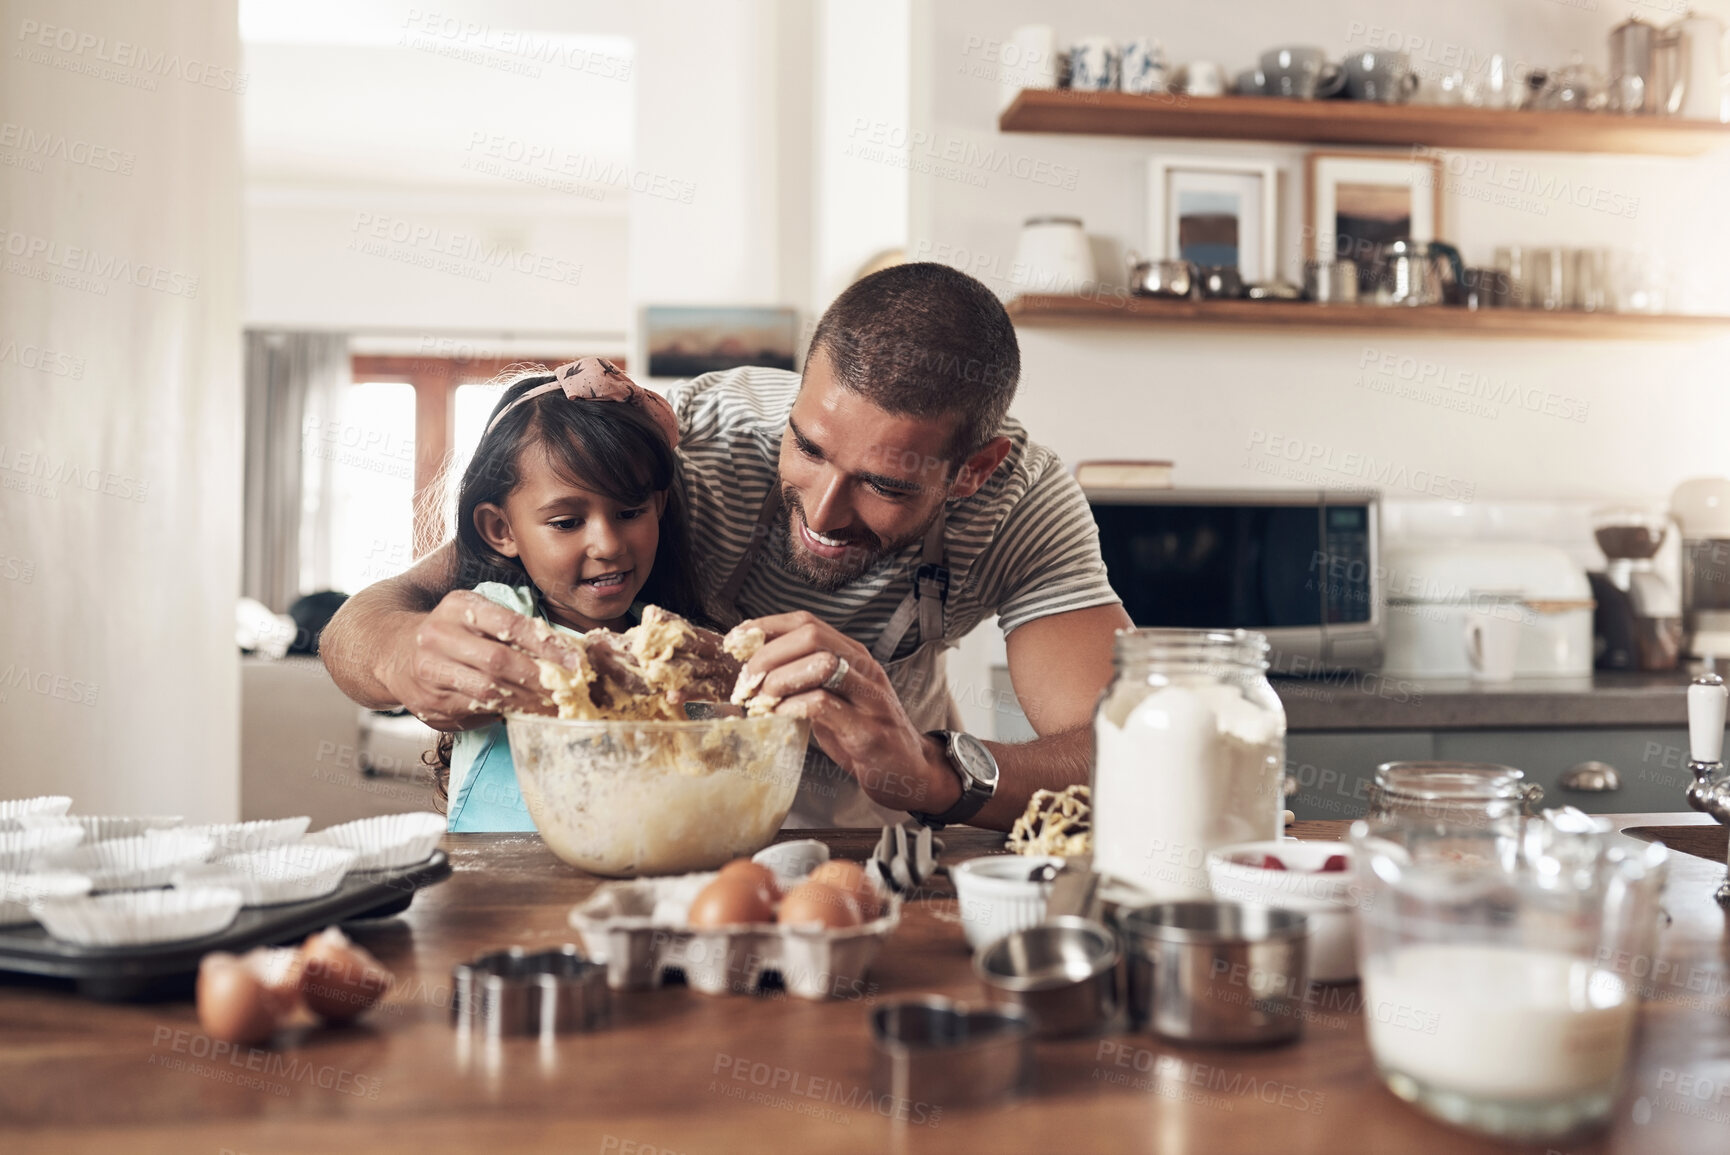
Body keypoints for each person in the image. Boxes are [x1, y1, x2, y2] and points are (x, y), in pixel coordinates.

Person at [323, 263, 1132, 830]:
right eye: (808, 448)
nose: (821, 511)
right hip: (689, 833)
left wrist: (928, 770)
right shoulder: (692, 448)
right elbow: (363, 623)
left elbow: (1121, 749)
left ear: (973, 471)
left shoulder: (1025, 504)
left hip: (880, 831)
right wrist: (404, 657)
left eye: (883, 484)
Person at [426, 357, 710, 831]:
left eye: (630, 512)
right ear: (501, 529)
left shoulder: (667, 637)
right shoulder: (498, 617)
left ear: (659, 507)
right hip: (500, 885)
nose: (608, 545)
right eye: (566, 522)